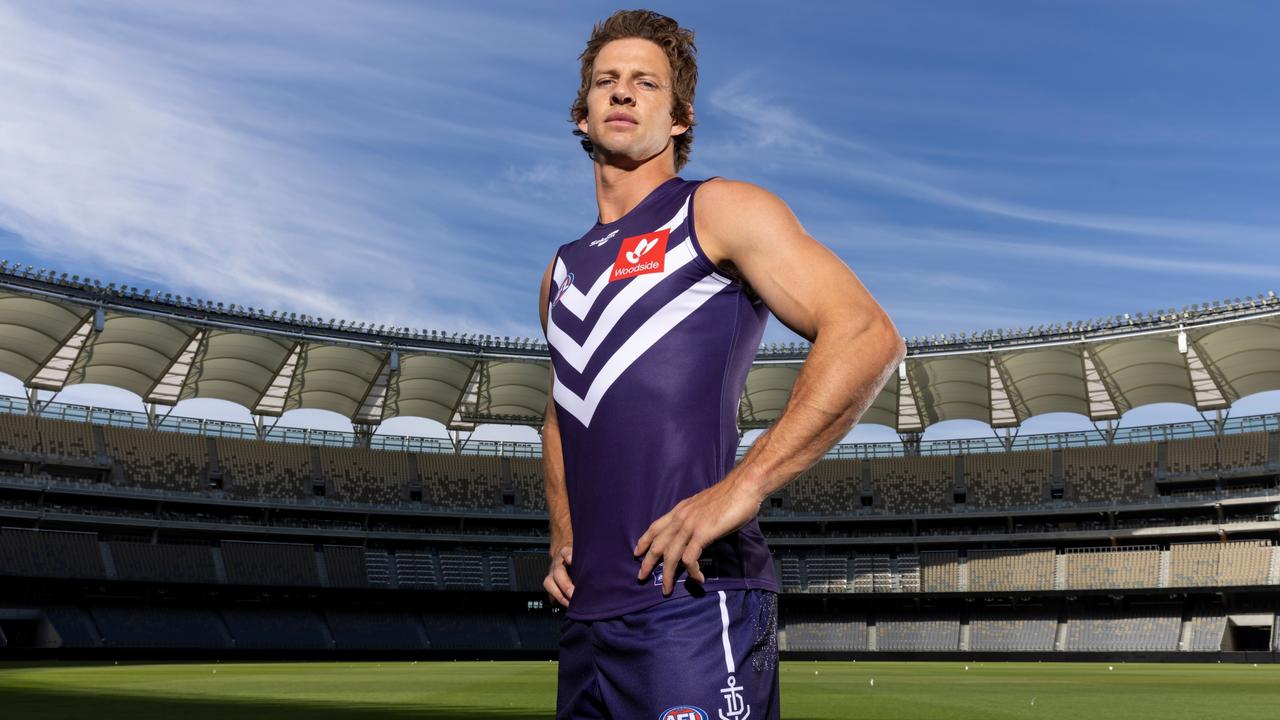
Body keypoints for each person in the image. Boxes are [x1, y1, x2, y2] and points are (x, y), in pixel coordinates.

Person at [538, 9, 905, 719]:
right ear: (580, 115)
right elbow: (560, 411)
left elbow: (865, 333)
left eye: (645, 83)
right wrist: (563, 532)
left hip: (696, 603)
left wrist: (746, 485)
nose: (621, 93)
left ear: (679, 119)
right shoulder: (561, 270)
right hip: (587, 624)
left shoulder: (718, 210)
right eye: (605, 81)